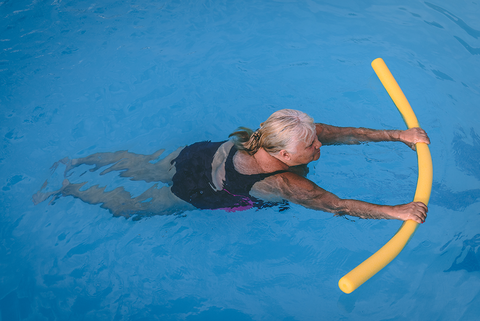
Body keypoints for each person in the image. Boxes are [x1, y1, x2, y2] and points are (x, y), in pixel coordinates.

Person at [33, 109, 430, 222]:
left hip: (200, 154)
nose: (318, 148)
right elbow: (337, 204)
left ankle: (75, 163)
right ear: (286, 158)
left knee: (141, 166)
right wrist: (393, 211)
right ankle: (70, 188)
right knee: (138, 207)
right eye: (311, 148)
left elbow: (340, 133)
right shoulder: (286, 184)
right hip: (201, 189)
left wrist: (399, 135)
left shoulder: (286, 130)